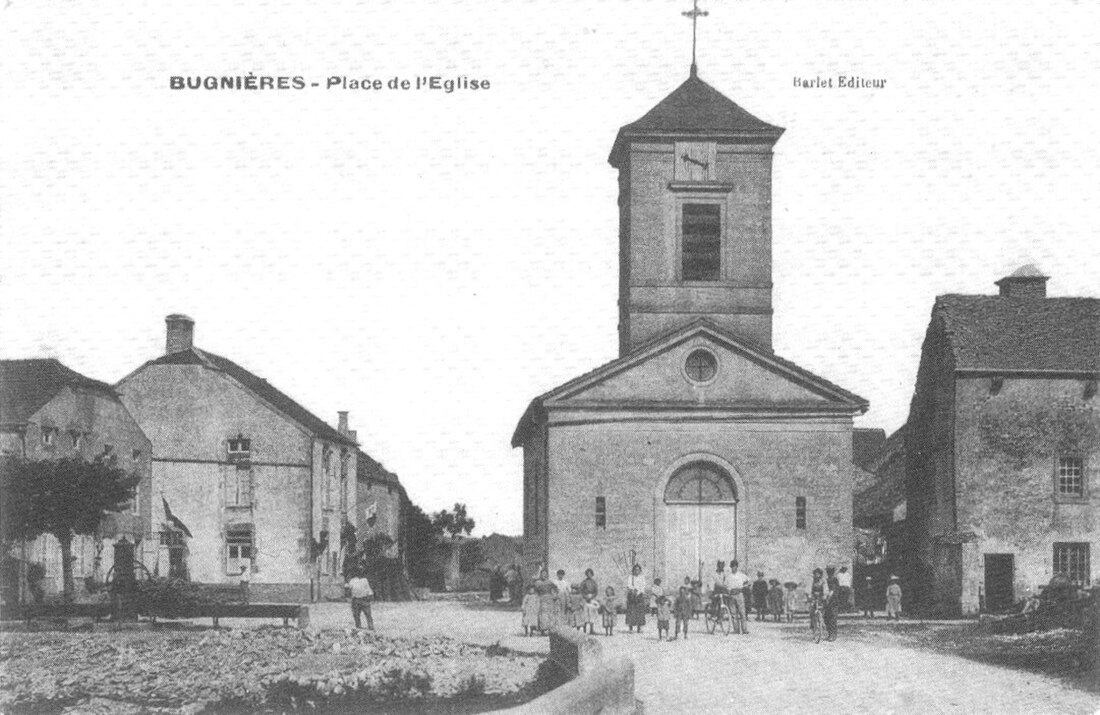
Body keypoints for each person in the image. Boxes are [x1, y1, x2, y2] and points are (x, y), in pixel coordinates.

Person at [727, 560, 750, 634]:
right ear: (731, 567)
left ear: (737, 567)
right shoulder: (728, 576)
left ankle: (744, 629)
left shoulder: (741, 575)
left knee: (742, 612)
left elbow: (749, 581)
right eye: (733, 566)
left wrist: (744, 586)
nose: (734, 568)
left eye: (735, 566)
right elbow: (726, 586)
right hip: (732, 595)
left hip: (739, 594)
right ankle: (736, 630)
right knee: (733, 613)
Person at [533, 568, 558, 633]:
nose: (544, 575)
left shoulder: (549, 582)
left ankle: (551, 629)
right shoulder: (537, 583)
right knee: (543, 614)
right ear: (540, 574)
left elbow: (556, 589)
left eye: (545, 574)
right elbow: (535, 591)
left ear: (547, 575)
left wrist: (555, 595)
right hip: (542, 598)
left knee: (550, 614)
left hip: (549, 599)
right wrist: (536, 598)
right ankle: (543, 630)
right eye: (542, 574)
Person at [625, 563, 647, 633]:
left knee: (639, 612)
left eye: (638, 570)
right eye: (635, 570)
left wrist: (639, 592)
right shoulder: (630, 577)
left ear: (640, 571)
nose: (636, 571)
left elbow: (643, 586)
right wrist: (633, 590)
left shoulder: (642, 577)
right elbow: (629, 585)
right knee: (631, 611)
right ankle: (630, 628)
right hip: (632, 595)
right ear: (633, 570)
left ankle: (639, 627)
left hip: (639, 595)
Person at [808, 568, 829, 639]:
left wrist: (825, 595)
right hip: (814, 597)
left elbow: (825, 588)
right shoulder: (812, 580)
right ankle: (813, 628)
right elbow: (808, 588)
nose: (817, 575)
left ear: (820, 574)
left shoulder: (823, 580)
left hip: (821, 597)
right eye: (816, 573)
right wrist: (809, 595)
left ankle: (823, 625)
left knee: (823, 611)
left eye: (818, 573)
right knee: (812, 612)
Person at [824, 566, 840, 641]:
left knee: (833, 618)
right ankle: (830, 633)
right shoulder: (826, 580)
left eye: (830, 571)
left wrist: (829, 597)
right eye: (828, 571)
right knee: (826, 618)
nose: (829, 573)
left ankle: (833, 635)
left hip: (834, 601)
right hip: (827, 602)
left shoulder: (835, 580)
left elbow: (833, 590)